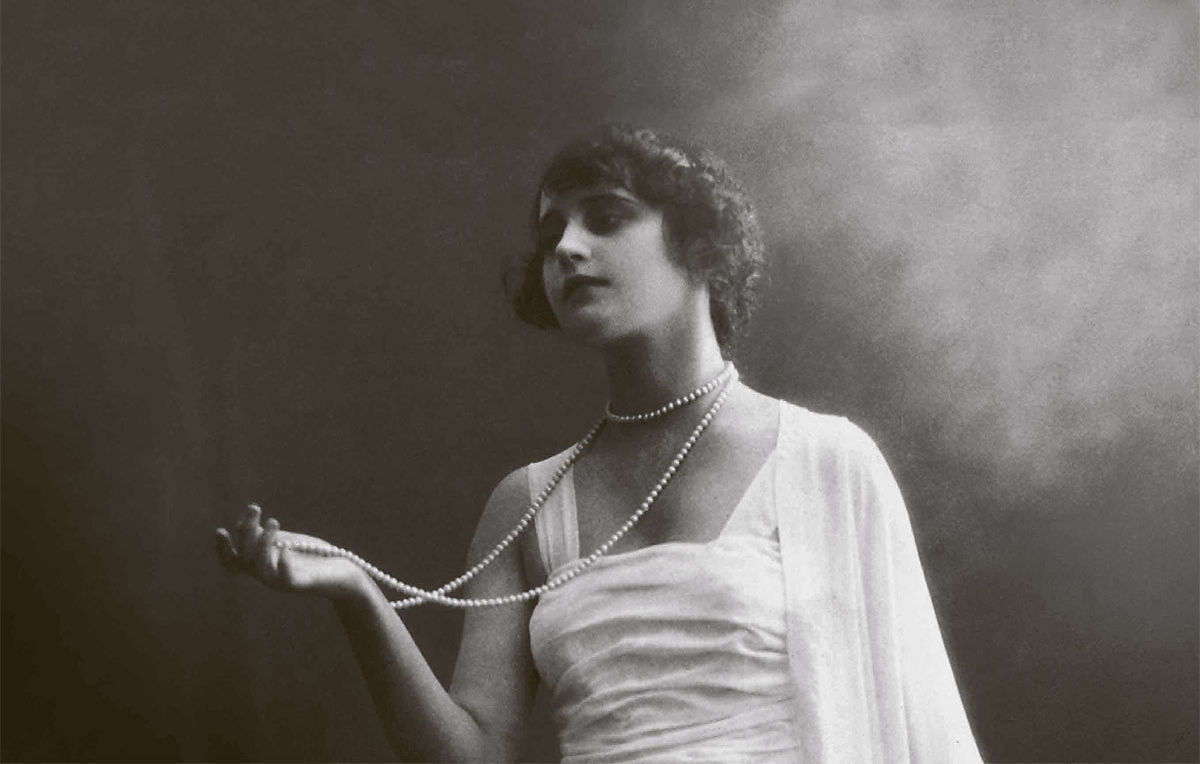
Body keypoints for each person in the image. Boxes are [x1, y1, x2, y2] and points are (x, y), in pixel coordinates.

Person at [216, 124, 983, 763]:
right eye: (551, 232)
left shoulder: (826, 462)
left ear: (701, 246)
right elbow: (472, 756)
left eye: (606, 218)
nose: (566, 248)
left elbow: (920, 725)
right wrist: (357, 594)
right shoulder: (528, 504)